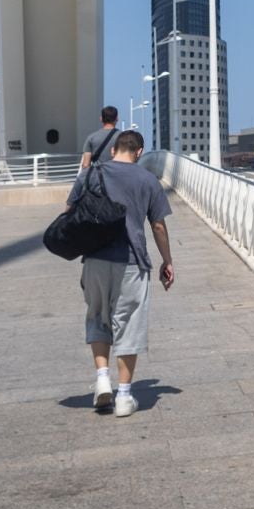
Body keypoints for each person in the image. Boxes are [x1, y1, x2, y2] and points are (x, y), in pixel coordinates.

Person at [67, 129, 173, 417]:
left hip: (95, 260)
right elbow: (159, 226)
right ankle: (124, 397)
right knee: (129, 324)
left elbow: (70, 209)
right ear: (139, 152)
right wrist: (167, 261)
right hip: (131, 262)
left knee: (98, 316)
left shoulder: (90, 174)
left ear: (113, 150)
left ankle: (102, 378)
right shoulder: (148, 180)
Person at [78, 105, 122, 172]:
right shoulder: (123, 137)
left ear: (101, 119)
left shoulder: (91, 138)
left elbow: (86, 165)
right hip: (117, 176)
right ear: (117, 118)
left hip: (97, 177)